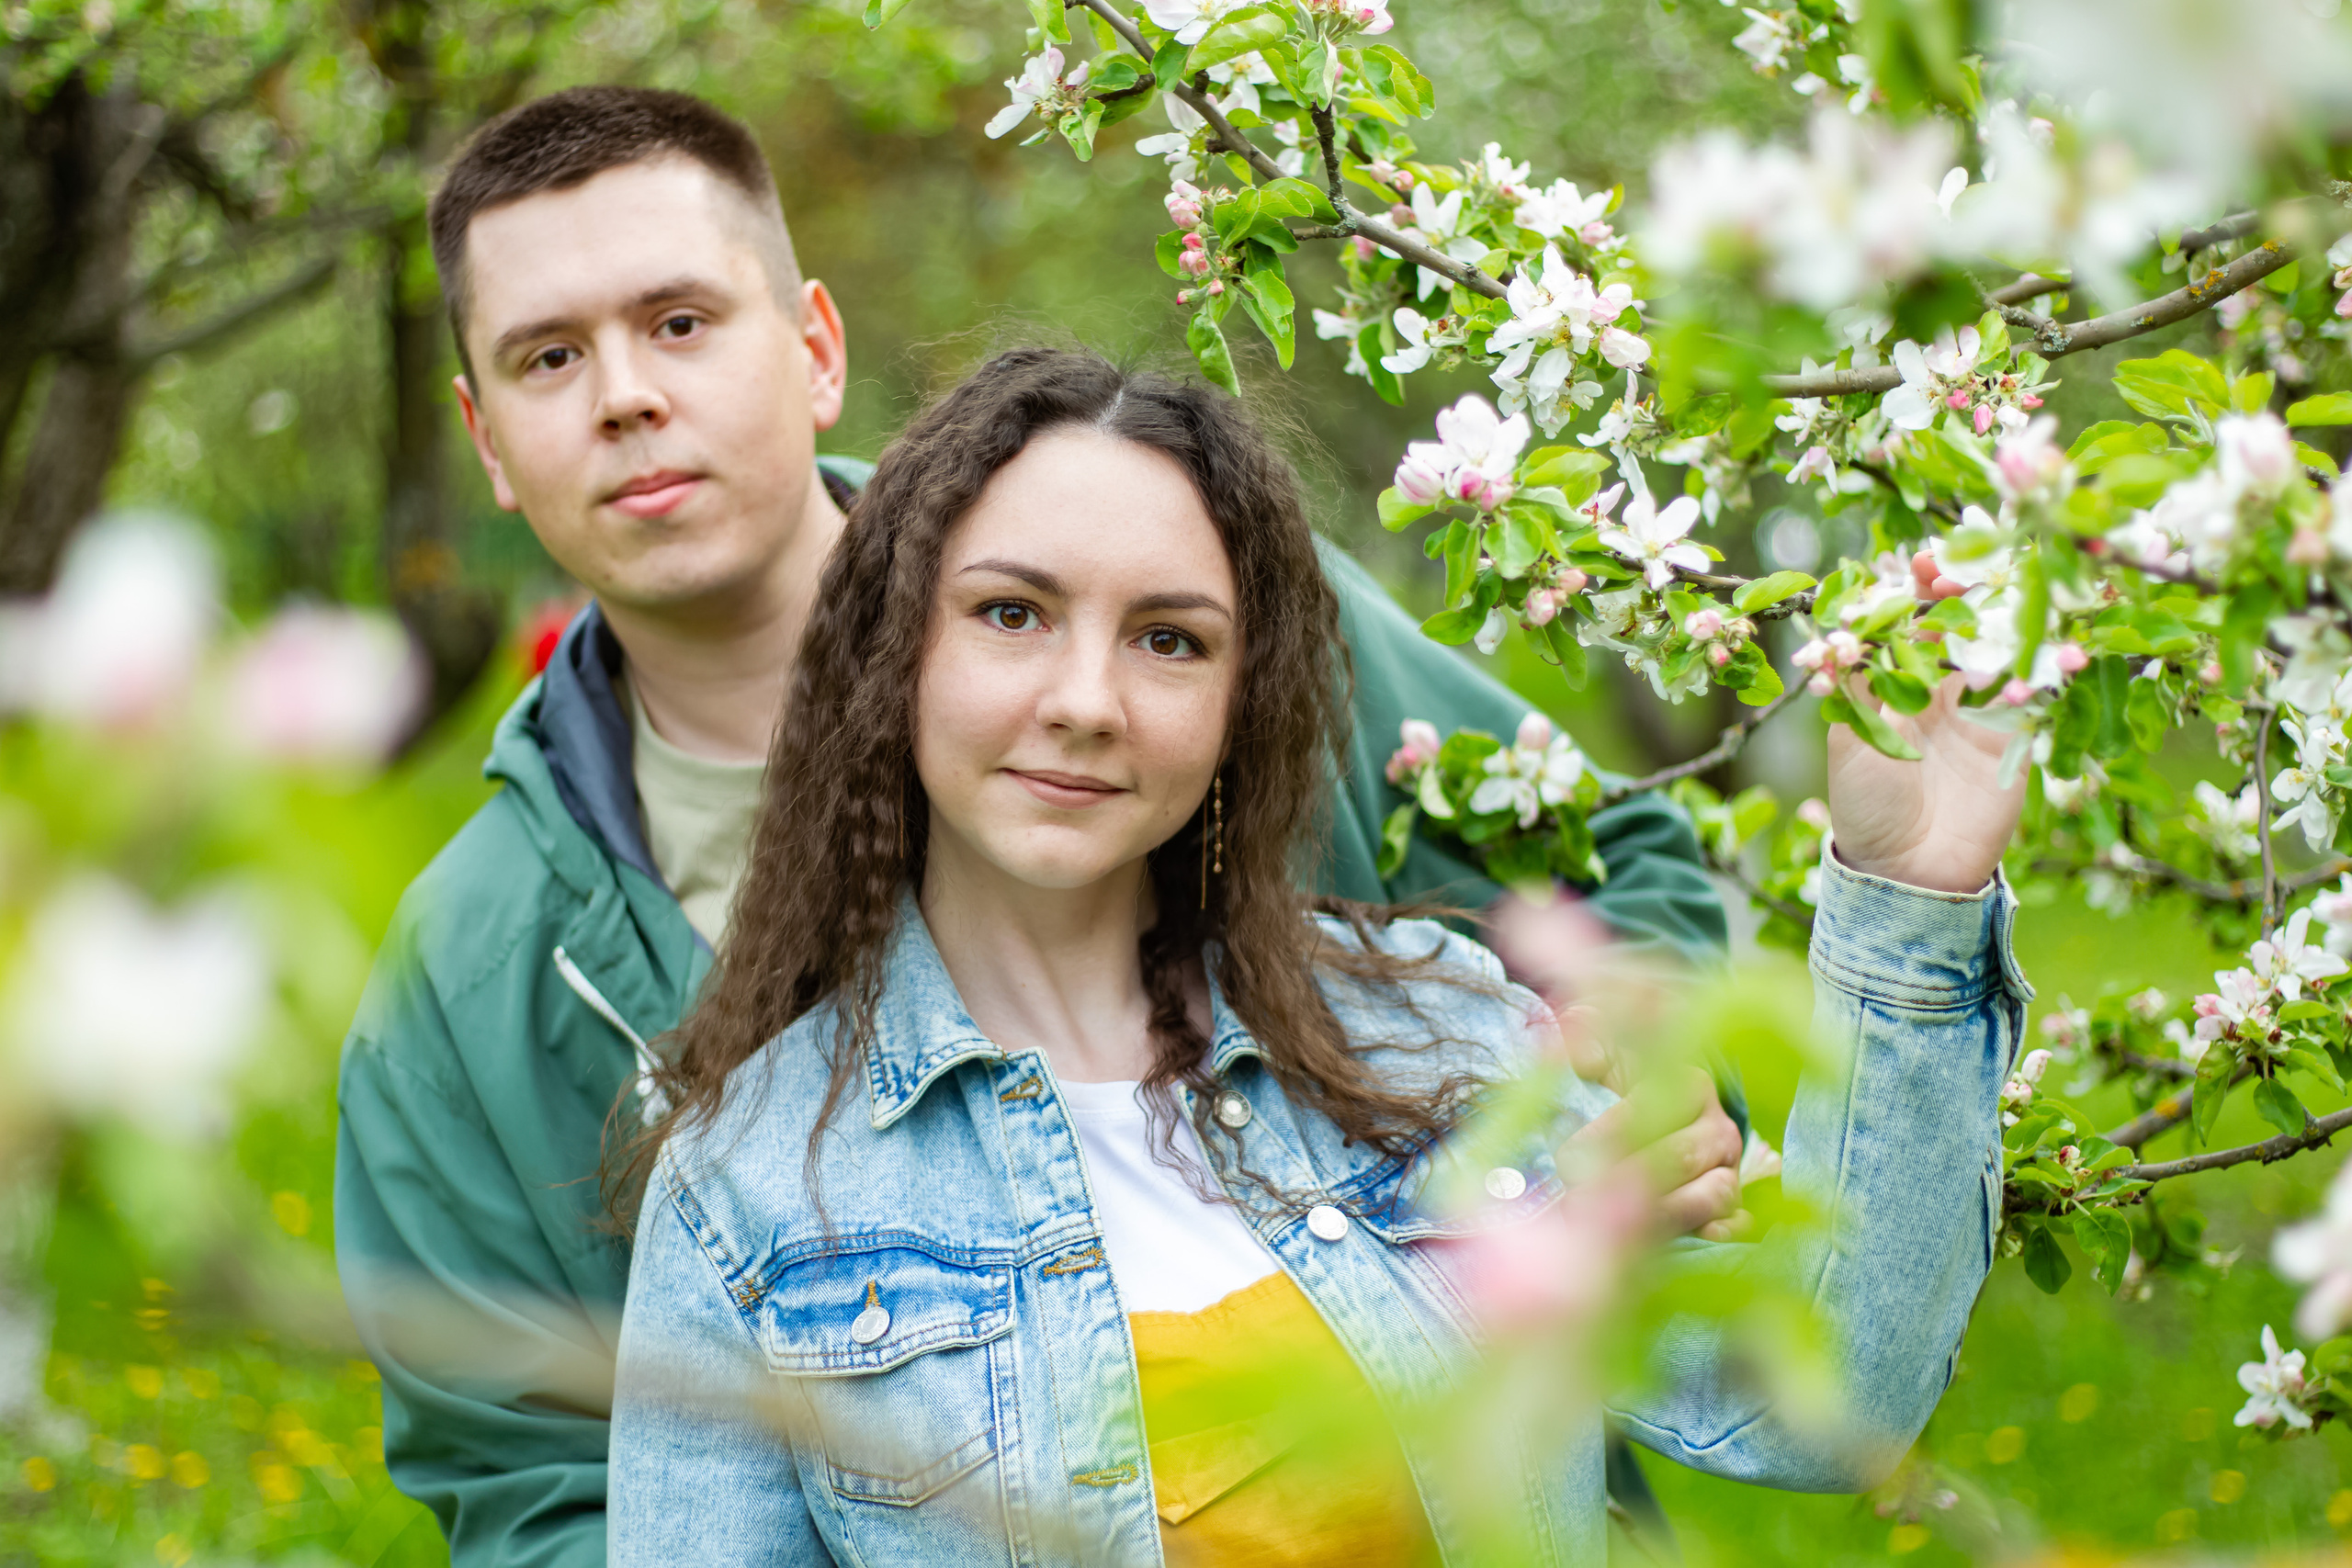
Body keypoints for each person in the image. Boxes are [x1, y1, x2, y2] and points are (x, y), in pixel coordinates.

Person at [332, 85, 1741, 1568]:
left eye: (680, 321)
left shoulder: (1174, 584)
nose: (624, 394)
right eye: (549, 357)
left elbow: (1599, 860)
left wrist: (1627, 1102)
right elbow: (534, 1485)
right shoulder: (467, 982)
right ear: (486, 441)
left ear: (815, 347)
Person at [605, 347, 2031, 1566]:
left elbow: (1826, 1397)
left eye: (1169, 641)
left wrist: (1909, 892)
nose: (1088, 701)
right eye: (1012, 613)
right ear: (895, 655)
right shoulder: (748, 1194)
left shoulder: (1443, 1040)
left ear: (1239, 706)